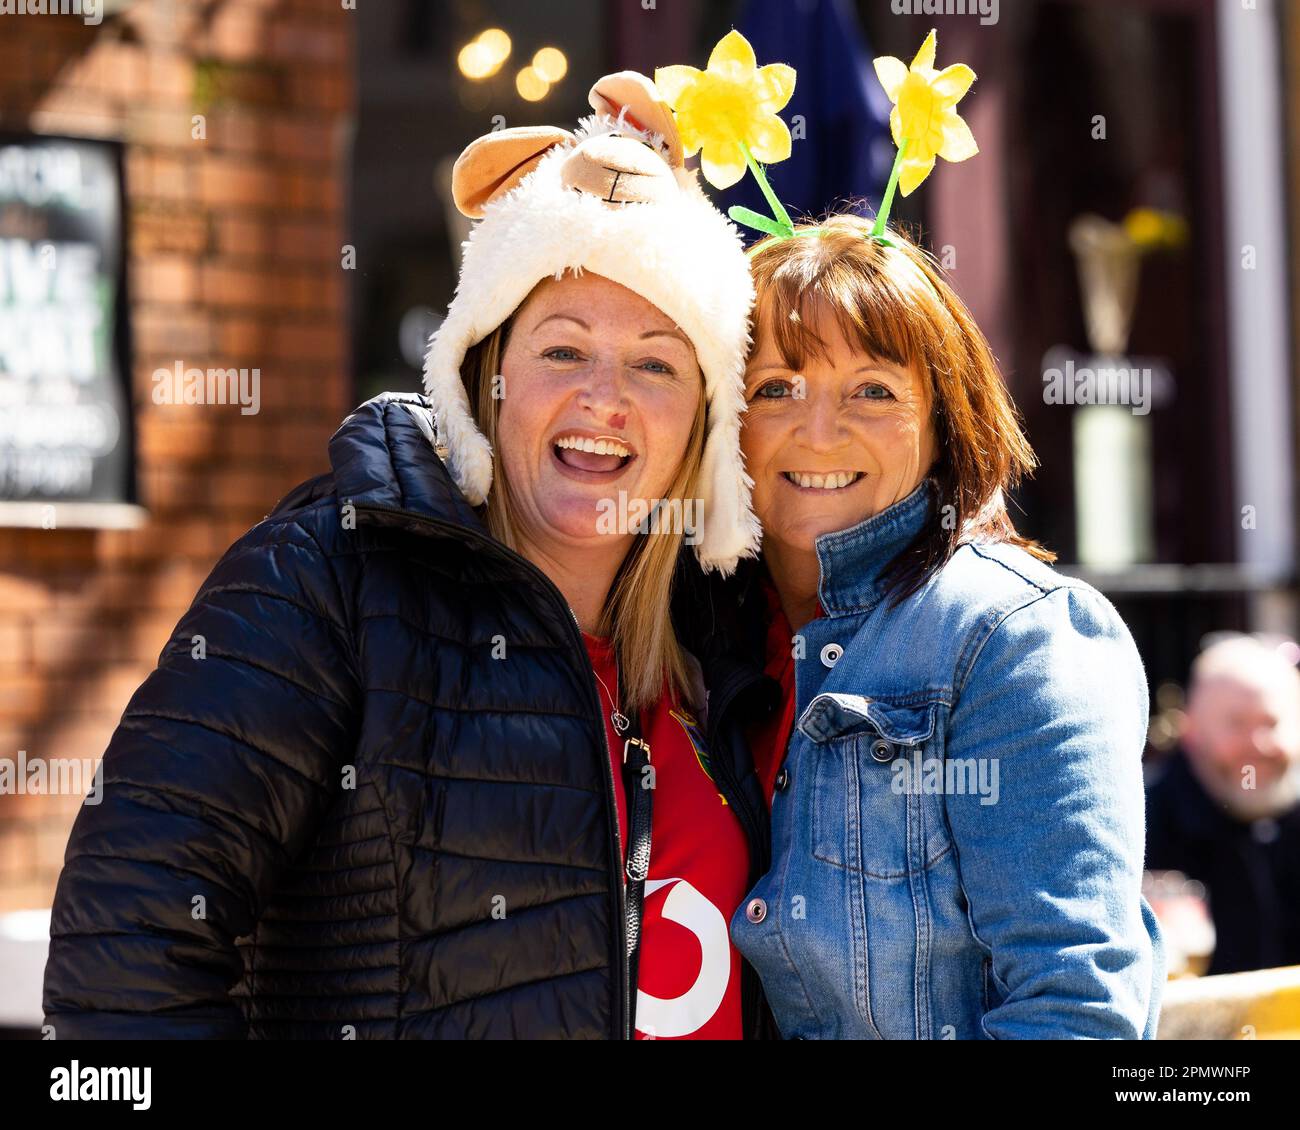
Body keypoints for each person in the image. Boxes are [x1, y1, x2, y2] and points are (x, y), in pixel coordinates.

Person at [41, 71, 778, 1040]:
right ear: (488, 373)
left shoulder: (727, 640)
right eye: (562, 350)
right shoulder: (327, 580)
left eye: (656, 363)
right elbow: (124, 958)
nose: (606, 397)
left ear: (702, 420)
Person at [718, 214, 1164, 1039]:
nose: (819, 429)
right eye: (775, 386)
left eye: (874, 390)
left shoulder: (1016, 638)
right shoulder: (691, 641)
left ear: (944, 422)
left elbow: (1075, 1012)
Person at [1146, 635, 1300, 974]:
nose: (1258, 745)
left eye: (1272, 723)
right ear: (1191, 731)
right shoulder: (1136, 829)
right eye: (1237, 724)